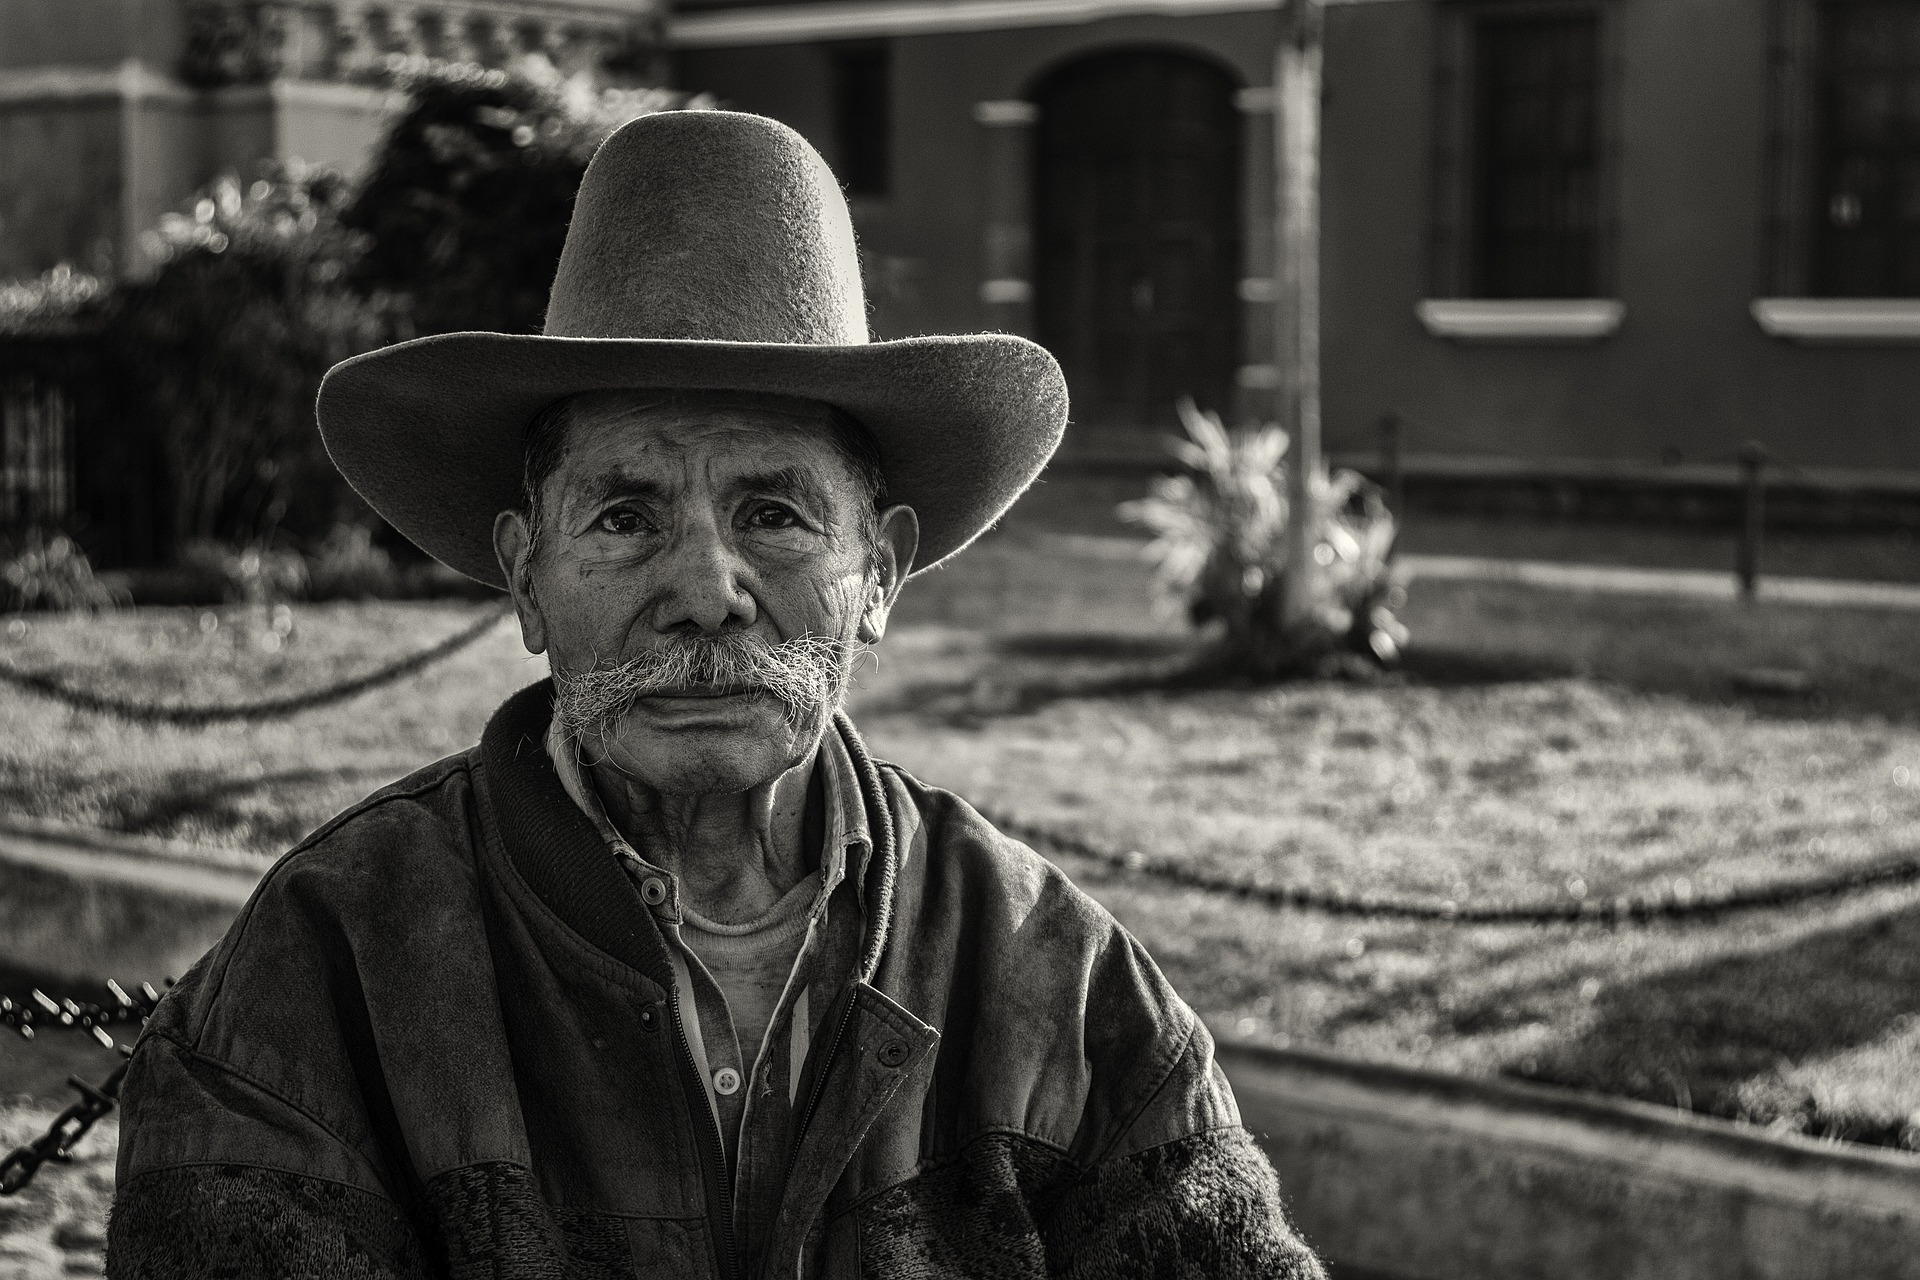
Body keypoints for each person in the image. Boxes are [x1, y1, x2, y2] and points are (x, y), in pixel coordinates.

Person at [106, 110, 1324, 1280]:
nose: (705, 590)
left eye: (774, 513)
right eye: (626, 515)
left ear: (880, 572)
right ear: (526, 577)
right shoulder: (322, 971)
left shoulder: (1053, 977)